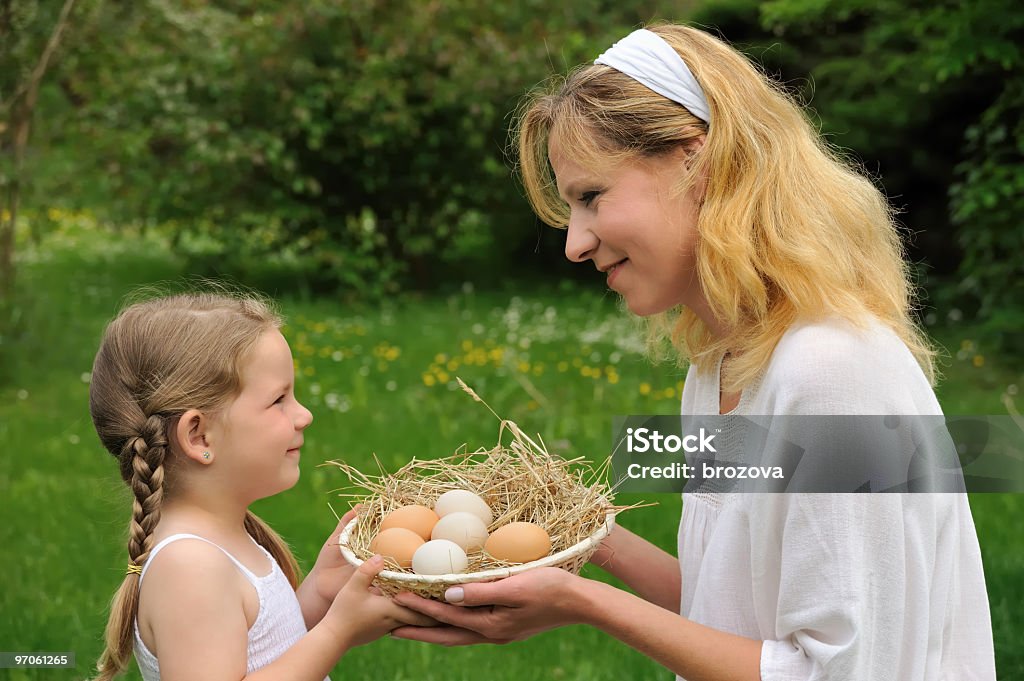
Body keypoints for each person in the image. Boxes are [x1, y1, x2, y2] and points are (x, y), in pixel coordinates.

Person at [389, 24, 997, 681]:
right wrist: (587, 539)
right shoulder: (717, 369)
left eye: (591, 197)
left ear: (695, 161)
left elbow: (839, 670)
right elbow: (728, 607)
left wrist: (586, 603)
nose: (575, 243)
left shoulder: (831, 372)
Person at [88, 291, 434, 681]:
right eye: (278, 400)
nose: (304, 414)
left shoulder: (220, 542)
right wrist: (337, 632)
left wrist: (321, 593)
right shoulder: (189, 567)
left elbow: (257, 647)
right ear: (199, 436)